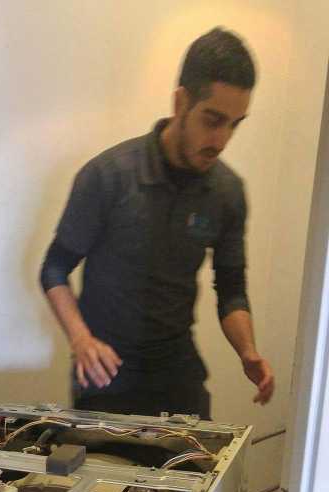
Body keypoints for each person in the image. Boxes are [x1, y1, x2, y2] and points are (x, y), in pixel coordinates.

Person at [40, 27, 274, 418]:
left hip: (177, 371)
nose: (222, 139)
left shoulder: (227, 191)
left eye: (235, 124)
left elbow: (231, 288)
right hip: (105, 370)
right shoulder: (108, 176)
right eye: (213, 120)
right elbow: (54, 270)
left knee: (198, 475)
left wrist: (247, 351)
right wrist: (80, 340)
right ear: (181, 102)